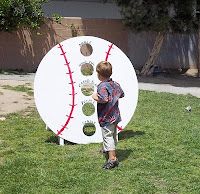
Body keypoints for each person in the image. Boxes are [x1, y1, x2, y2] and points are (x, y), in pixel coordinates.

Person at [92, 61, 124, 170]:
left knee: (108, 136)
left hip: (106, 116)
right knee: (113, 134)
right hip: (115, 115)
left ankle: (112, 159)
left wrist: (95, 97)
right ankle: (108, 150)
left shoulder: (102, 86)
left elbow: (104, 99)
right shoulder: (115, 84)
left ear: (99, 75)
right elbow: (122, 94)